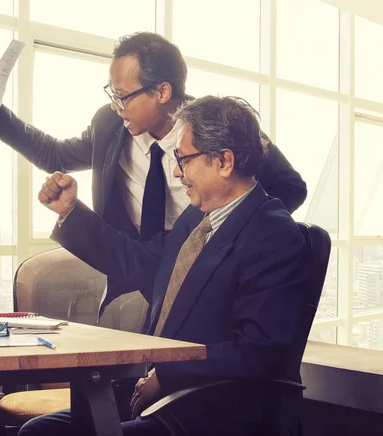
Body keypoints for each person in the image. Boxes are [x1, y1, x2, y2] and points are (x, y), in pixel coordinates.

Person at [19, 95, 311, 436]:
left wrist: (167, 375)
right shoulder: (195, 220)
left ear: (224, 162)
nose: (176, 171)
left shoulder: (273, 234)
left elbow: (258, 352)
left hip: (209, 414)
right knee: (41, 430)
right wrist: (70, 210)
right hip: (159, 396)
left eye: (183, 159)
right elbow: (135, 261)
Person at [0, 32, 306, 316]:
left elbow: (289, 188)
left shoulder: (217, 128)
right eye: (112, 94)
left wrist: (224, 237)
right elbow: (56, 154)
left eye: (123, 96)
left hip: (205, 274)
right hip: (136, 270)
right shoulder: (111, 124)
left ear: (162, 92)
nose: (116, 106)